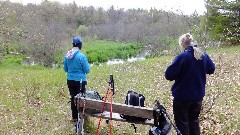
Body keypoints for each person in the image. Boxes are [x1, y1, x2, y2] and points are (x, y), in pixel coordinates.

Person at [165, 33, 215, 135]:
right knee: (194, 121)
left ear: (182, 44)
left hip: (182, 97)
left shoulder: (182, 57)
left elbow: (168, 75)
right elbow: (211, 69)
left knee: (182, 123)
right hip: (197, 97)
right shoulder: (203, 55)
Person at [64, 37, 90, 121]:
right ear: (80, 45)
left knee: (73, 97)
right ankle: (81, 116)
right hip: (80, 81)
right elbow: (87, 70)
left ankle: (74, 117)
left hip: (70, 80)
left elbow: (65, 69)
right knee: (81, 98)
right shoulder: (81, 56)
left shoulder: (67, 56)